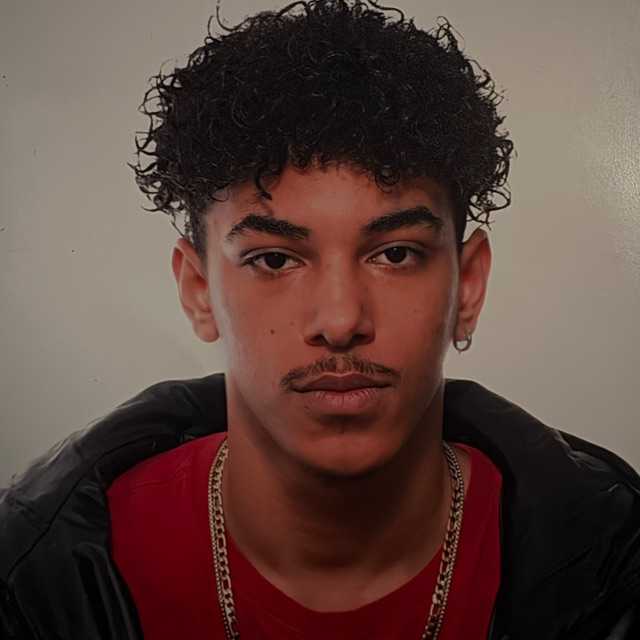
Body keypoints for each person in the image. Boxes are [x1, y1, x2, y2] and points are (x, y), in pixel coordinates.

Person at [1, 0, 639, 638]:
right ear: (199, 290)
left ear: (467, 287)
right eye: (275, 259)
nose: (340, 321)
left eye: (395, 254)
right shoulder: (35, 579)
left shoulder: (614, 559)